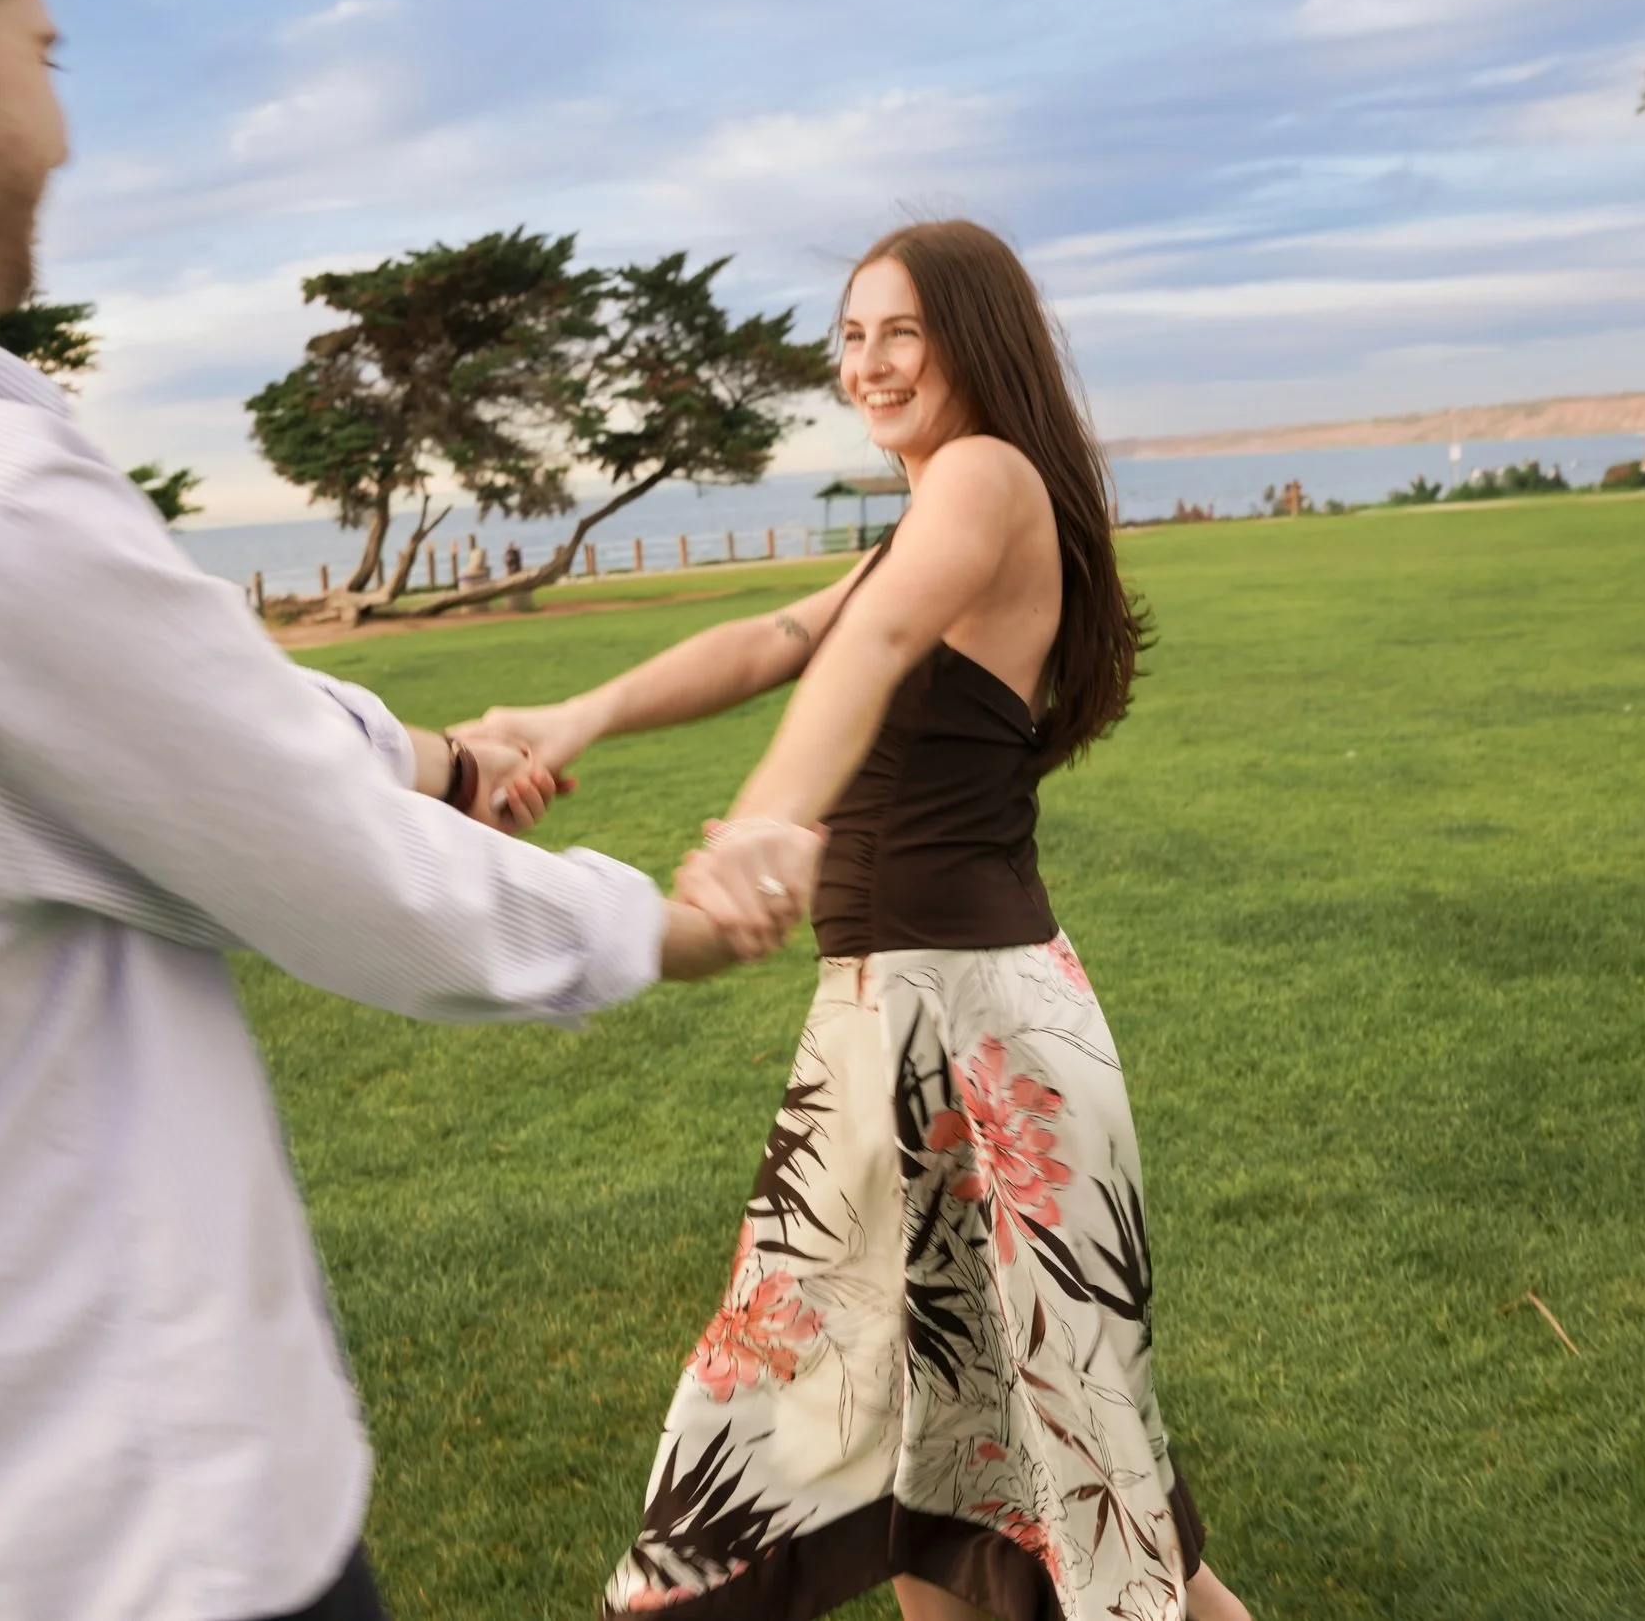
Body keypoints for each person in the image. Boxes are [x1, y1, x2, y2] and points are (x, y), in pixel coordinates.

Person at [0, 0, 814, 1619]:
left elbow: (168, 719)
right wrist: (679, 924)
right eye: (44, 56)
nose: (58, 128)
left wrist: (437, 755)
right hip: (136, 1526)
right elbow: (365, 882)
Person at [472, 221, 1252, 1621]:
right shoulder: (937, 514)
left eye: (902, 330)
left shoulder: (987, 478)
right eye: (850, 334)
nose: (870, 361)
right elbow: (784, 637)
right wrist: (574, 712)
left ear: (974, 339)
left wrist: (771, 819)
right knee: (956, 1480)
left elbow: (880, 643)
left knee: (1044, 1484)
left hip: (970, 1036)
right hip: (907, 1030)